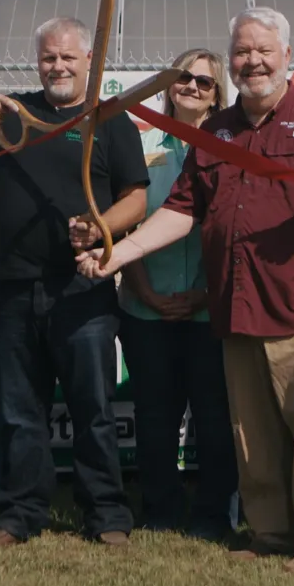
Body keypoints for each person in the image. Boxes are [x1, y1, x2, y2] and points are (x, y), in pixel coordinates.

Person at [78, 7, 294, 573]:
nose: (253, 61)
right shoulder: (216, 130)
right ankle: (268, 532)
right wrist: (115, 254)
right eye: (242, 52)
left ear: (287, 57)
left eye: (264, 50)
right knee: (253, 434)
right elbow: (180, 212)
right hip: (238, 304)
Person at [0, 16, 149, 547]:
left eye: (68, 57)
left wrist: (101, 227)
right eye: (49, 57)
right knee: (21, 412)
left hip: (83, 287)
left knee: (92, 407)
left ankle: (107, 515)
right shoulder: (13, 116)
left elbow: (136, 197)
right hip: (15, 286)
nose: (58, 66)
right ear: (37, 60)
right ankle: (20, 514)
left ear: (88, 61)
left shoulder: (108, 120)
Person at [117, 48, 237, 538]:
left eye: (204, 82)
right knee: (155, 417)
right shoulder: (141, 144)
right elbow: (127, 220)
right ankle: (161, 512)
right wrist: (143, 289)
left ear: (217, 92)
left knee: (215, 417)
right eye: (184, 78)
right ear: (168, 85)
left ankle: (215, 515)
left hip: (210, 311)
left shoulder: (231, 148)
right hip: (146, 308)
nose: (191, 87)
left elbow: (236, 228)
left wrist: (206, 295)